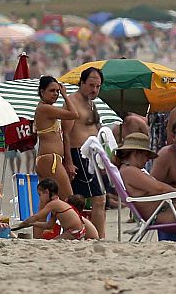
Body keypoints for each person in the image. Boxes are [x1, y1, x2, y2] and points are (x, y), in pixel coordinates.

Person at [61, 67, 107, 238]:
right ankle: (97, 237)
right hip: (77, 155)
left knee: (97, 199)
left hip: (93, 156)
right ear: (81, 83)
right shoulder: (72, 102)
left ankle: (96, 235)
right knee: (97, 199)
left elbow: (96, 128)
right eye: (90, 85)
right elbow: (65, 133)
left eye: (97, 86)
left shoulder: (92, 103)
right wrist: (68, 161)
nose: (94, 90)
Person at [32, 76, 80, 198]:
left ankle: (44, 218)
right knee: (68, 199)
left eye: (57, 91)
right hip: (50, 160)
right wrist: (65, 95)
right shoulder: (45, 108)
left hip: (48, 159)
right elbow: (74, 114)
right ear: (42, 92)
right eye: (52, 91)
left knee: (51, 201)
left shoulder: (44, 108)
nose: (56, 94)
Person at [11, 177, 97, 240]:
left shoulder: (53, 204)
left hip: (74, 231)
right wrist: (33, 224)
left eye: (40, 195)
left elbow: (37, 216)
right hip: (77, 231)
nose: (40, 198)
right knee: (54, 241)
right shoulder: (56, 206)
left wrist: (24, 223)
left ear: (47, 192)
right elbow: (49, 225)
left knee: (54, 242)